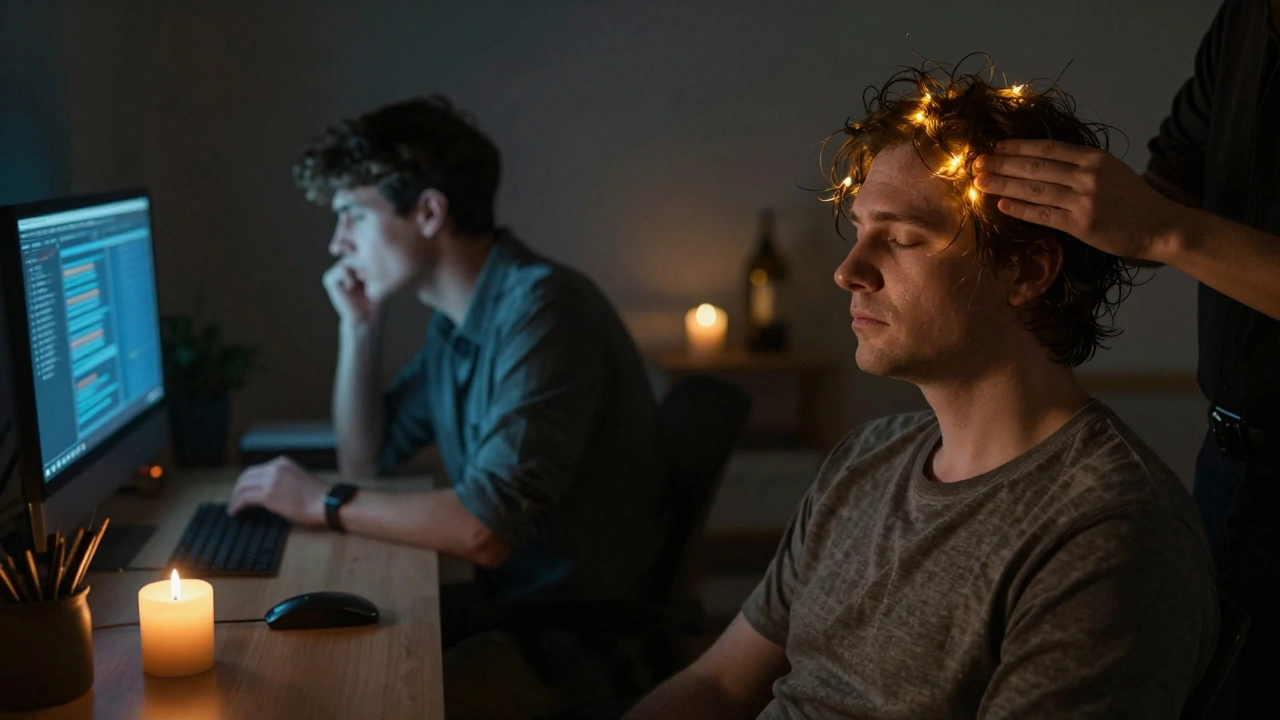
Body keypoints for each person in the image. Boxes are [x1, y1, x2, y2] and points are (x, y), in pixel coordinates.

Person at [625, 63, 1218, 719]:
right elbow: (718, 684)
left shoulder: (1107, 533)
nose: (849, 271)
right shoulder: (866, 459)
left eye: (903, 238)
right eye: (859, 232)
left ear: (1026, 271)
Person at [227, 96, 667, 716]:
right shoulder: (458, 323)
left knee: (349, 699)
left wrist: (319, 502)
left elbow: (484, 530)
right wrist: (359, 329)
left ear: (430, 212)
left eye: (353, 214)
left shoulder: (545, 313)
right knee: (304, 663)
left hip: (579, 639)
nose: (337, 242)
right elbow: (365, 458)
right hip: (515, 610)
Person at [973, 2, 1280, 713]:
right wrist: (1044, 212)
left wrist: (1162, 230)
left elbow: (1159, 221)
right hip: (1230, 467)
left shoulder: (1121, 514)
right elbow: (1161, 194)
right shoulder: (1244, 20)